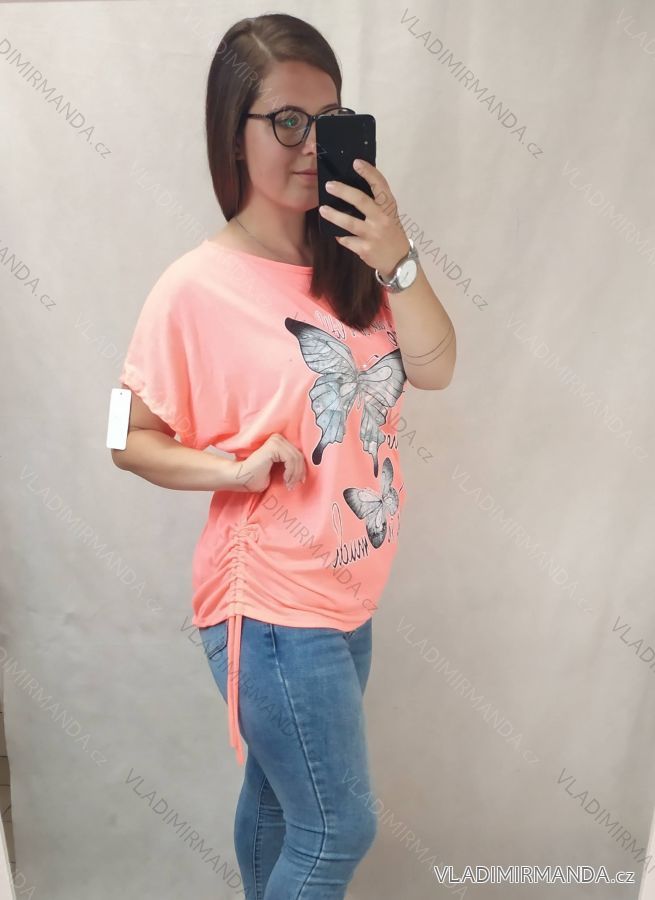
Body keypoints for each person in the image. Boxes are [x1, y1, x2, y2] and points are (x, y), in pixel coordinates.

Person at [111, 12, 455, 899]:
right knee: (337, 827)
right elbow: (127, 436)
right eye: (287, 122)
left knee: (277, 806)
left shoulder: (354, 262)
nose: (310, 146)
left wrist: (397, 259)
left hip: (346, 592)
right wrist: (230, 469)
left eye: (328, 121)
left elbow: (435, 367)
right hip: (266, 603)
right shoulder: (194, 286)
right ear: (236, 134)